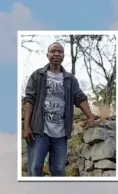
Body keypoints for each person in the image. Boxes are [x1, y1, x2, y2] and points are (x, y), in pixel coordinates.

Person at [23, 41, 95, 176]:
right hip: (39, 131)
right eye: (53, 51)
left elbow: (80, 97)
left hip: (61, 133)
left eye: (60, 51)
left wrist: (90, 117)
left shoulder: (70, 79)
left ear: (63, 55)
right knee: (35, 168)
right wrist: (26, 127)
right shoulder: (38, 76)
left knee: (59, 170)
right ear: (47, 55)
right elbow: (29, 100)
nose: (56, 54)